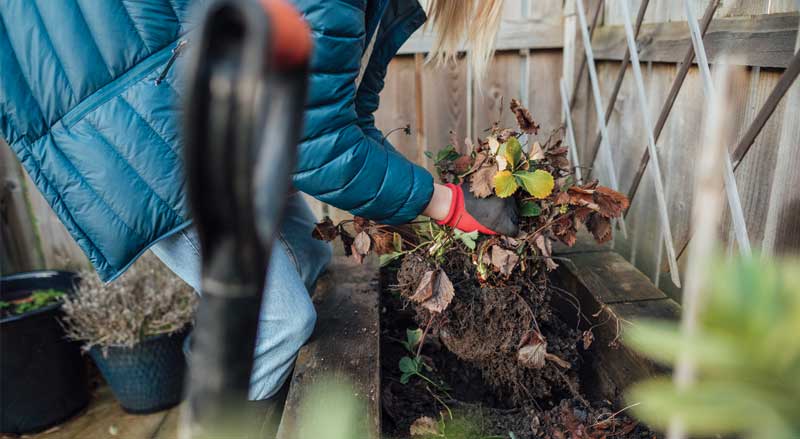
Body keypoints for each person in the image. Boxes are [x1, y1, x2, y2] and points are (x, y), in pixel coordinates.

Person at [0, 0, 516, 400]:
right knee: (279, 319)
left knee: (310, 257)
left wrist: (422, 198)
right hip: (139, 126)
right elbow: (313, 142)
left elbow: (343, 120)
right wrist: (445, 205)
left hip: (198, 107)